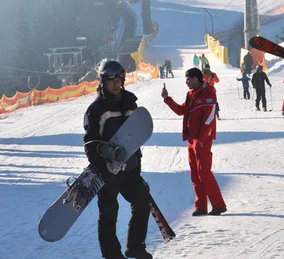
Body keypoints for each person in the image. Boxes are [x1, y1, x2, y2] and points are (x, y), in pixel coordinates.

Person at [83, 61, 152, 259]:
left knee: (142, 204)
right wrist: (101, 158)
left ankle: (135, 247)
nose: (116, 84)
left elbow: (137, 132)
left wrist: (136, 160)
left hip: (130, 168)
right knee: (109, 213)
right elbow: (90, 141)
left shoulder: (131, 103)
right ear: (103, 82)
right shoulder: (96, 109)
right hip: (108, 171)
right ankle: (112, 255)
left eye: (119, 80)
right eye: (111, 80)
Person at [161, 68, 227, 217]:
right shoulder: (191, 94)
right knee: (195, 175)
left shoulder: (208, 93)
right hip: (192, 140)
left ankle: (218, 205)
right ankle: (201, 207)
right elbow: (181, 110)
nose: (187, 82)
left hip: (202, 140)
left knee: (204, 172)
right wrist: (167, 99)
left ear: (197, 79)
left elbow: (209, 118)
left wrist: (202, 139)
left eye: (189, 79)